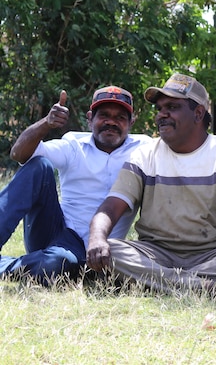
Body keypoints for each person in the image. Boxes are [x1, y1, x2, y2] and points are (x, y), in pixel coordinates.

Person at [86, 73, 216, 293]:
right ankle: (199, 288)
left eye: (172, 107)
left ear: (198, 113)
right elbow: (110, 207)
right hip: (155, 254)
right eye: (159, 109)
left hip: (213, 255)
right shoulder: (144, 156)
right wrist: (97, 239)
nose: (162, 115)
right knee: (110, 250)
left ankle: (161, 284)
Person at [0, 86, 150, 285]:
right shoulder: (73, 144)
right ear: (90, 118)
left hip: (104, 246)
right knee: (39, 166)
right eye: (103, 115)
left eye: (120, 117)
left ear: (131, 122)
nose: (111, 122)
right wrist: (46, 123)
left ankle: (12, 265)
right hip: (59, 232)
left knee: (57, 264)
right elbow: (19, 154)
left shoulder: (144, 149)